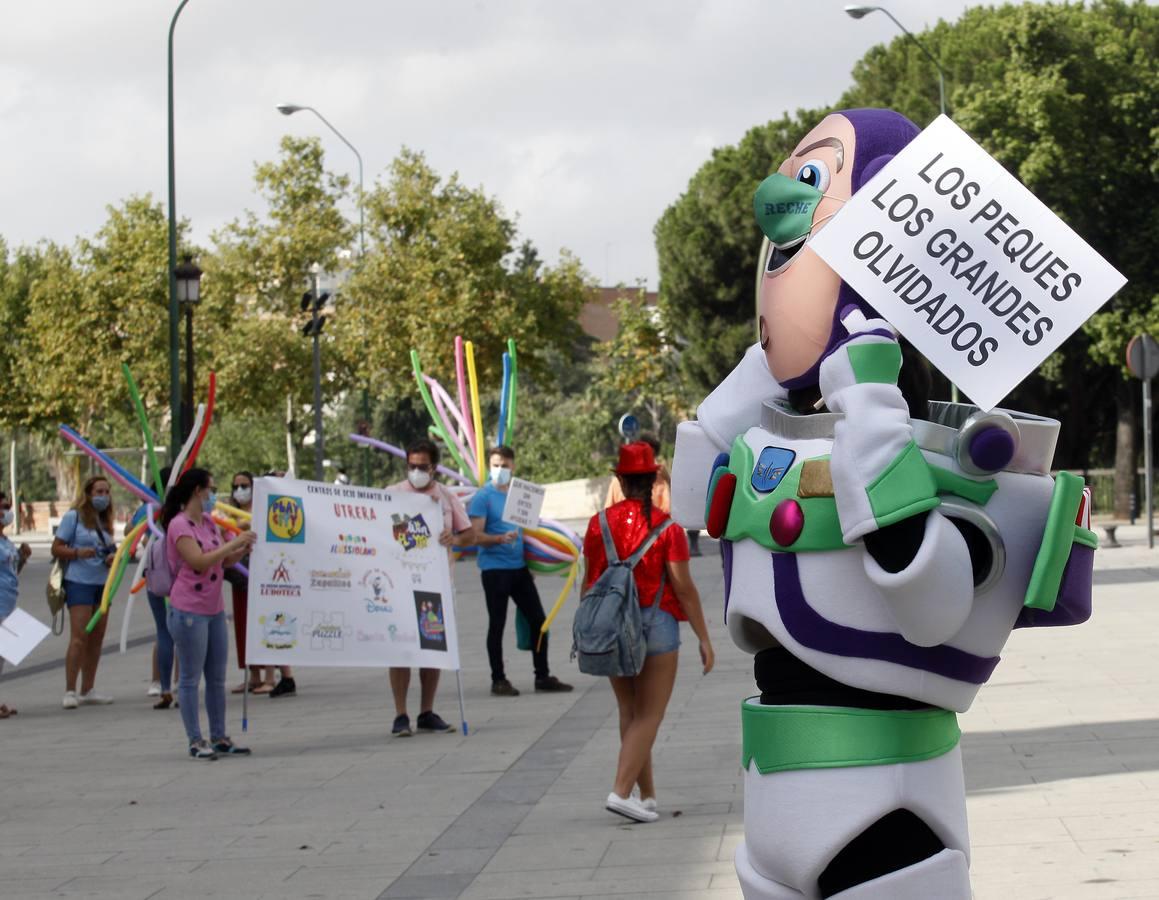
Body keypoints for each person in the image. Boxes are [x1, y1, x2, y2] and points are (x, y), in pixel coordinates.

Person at [584, 442, 714, 823]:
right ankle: (621, 792)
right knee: (650, 715)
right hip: (656, 623)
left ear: (621, 480)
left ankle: (647, 795)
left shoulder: (598, 524)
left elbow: (589, 582)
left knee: (630, 711)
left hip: (610, 623)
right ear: (653, 478)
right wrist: (704, 638)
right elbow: (684, 588)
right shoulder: (668, 529)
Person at [161, 468, 256, 760]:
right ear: (196, 491)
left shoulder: (208, 523)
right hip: (189, 609)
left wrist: (241, 549)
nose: (214, 495)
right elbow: (199, 561)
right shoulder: (180, 525)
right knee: (190, 678)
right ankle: (195, 739)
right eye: (210, 490)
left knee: (216, 678)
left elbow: (223, 561)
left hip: (214, 609)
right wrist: (233, 542)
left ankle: (219, 736)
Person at [386, 439, 475, 736]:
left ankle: (426, 711)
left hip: (435, 587)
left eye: (422, 467)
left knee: (432, 649)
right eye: (411, 466)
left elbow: (469, 535)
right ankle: (401, 714)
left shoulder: (447, 498)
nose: (416, 472)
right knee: (400, 651)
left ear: (434, 467)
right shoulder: (392, 495)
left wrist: (455, 540)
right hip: (399, 587)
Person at [467, 445, 572, 696]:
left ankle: (542, 675)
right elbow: (475, 536)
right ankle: (498, 679)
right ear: (488, 467)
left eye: (504, 465)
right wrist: (499, 539)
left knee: (539, 620)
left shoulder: (520, 494)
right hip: (494, 570)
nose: (500, 469)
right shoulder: (483, 497)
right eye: (495, 465)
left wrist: (533, 562)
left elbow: (528, 531)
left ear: (513, 465)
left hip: (519, 569)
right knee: (497, 624)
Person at [223, 471, 295, 697]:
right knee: (245, 627)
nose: (240, 490)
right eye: (236, 486)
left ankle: (271, 677)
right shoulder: (229, 513)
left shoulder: (265, 508)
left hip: (263, 575)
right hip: (238, 575)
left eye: (245, 485)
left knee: (266, 623)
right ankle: (254, 676)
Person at [52, 475, 118, 709]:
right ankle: (70, 690)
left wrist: (112, 557)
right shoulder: (74, 517)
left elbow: (113, 548)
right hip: (79, 582)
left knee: (96, 638)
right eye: (98, 492)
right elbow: (57, 547)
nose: (103, 496)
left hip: (103, 584)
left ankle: (88, 688)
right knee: (79, 637)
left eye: (106, 492)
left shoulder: (104, 520)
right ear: (88, 494)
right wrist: (78, 553)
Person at [146, 466, 178, 709]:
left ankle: (166, 685)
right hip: (182, 578)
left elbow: (130, 532)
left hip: (156, 576)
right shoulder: (185, 512)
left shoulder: (150, 509)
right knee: (186, 632)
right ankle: (180, 683)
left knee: (164, 631)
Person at [0, 490, 31, 718]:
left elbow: (12, 573)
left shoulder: (5, 541)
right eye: (2, 507)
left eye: (7, 507)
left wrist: (23, 557)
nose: (6, 513)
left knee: (3, 654)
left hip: (8, 602)